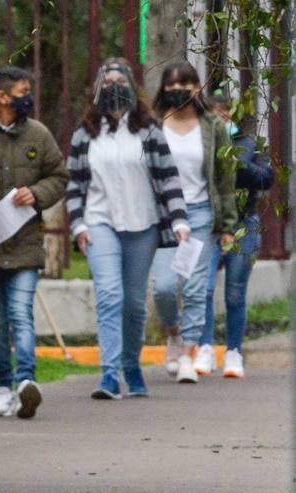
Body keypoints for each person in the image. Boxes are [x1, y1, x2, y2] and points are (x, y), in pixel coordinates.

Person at [66, 57, 190, 399]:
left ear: (133, 88)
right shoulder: (84, 133)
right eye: (107, 83)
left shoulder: (149, 130)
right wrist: (78, 225)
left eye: (120, 82)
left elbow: (168, 180)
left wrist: (179, 221)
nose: (114, 88)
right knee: (109, 295)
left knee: (134, 303)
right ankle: (109, 375)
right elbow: (74, 185)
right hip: (98, 222)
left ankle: (131, 366)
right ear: (96, 90)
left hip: (143, 225)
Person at [0, 66, 68, 419]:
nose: (27, 96)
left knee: (21, 314)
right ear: (2, 97)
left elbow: (59, 175)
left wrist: (37, 192)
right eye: (22, 90)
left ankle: (25, 382)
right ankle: (2, 387)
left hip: (27, 244)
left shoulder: (38, 134)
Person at [148, 60, 237, 383]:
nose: (176, 91)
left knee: (198, 288)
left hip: (200, 214)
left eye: (183, 85)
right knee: (165, 288)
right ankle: (173, 332)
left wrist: (227, 225)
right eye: (170, 85)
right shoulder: (154, 125)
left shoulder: (212, 125)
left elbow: (226, 177)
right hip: (164, 218)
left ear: (197, 88)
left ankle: (187, 354)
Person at [200, 92, 275, 379]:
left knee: (234, 292)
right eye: (214, 116)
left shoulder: (247, 145)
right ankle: (205, 346)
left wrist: (237, 165)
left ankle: (234, 352)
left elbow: (266, 177)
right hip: (210, 225)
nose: (220, 121)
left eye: (225, 115)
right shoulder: (202, 145)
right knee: (202, 290)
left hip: (244, 224)